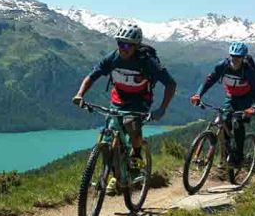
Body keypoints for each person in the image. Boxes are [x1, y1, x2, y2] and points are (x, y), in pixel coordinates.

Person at [72, 24, 177, 191]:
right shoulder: (112, 58)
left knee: (131, 125)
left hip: (140, 101)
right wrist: (80, 94)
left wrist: (162, 108)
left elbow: (170, 84)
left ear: (136, 46)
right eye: (120, 43)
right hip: (118, 99)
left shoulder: (147, 62)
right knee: (108, 138)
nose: (123, 48)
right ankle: (113, 175)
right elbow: (92, 76)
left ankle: (136, 161)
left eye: (127, 45)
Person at [190, 41, 255, 172]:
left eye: (238, 57)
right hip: (231, 97)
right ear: (229, 55)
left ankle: (239, 157)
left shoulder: (249, 71)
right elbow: (209, 81)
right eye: (233, 56)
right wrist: (198, 95)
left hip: (246, 97)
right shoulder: (222, 66)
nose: (235, 59)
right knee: (224, 122)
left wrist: (253, 108)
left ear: (243, 57)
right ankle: (225, 156)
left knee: (237, 122)